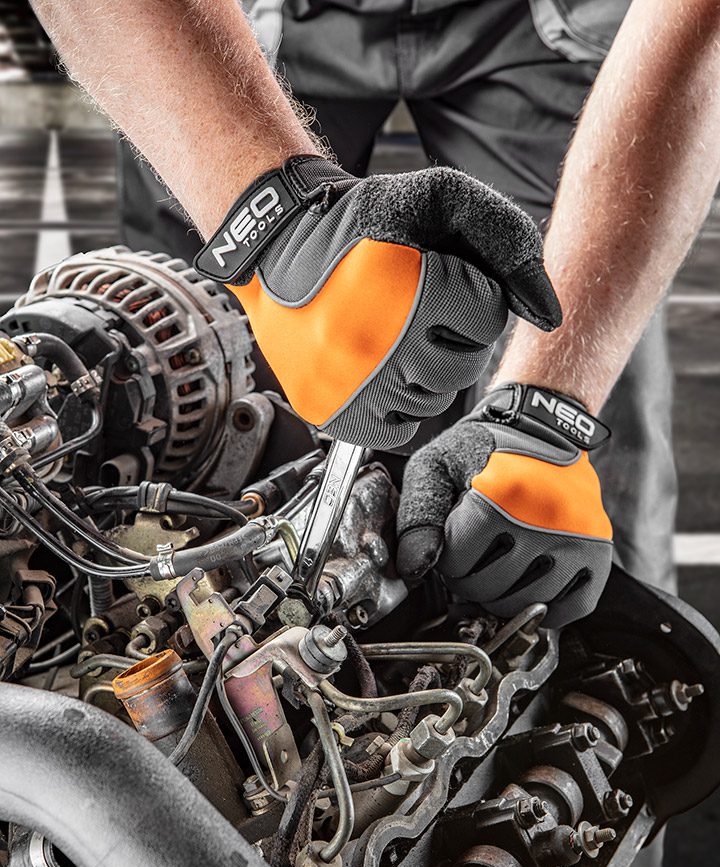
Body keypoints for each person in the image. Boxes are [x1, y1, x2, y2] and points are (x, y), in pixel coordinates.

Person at [32, 0, 720, 626]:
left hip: (544, 18)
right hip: (242, 16)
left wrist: (549, 406)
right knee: (181, 387)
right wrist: (275, 224)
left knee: (566, 514)